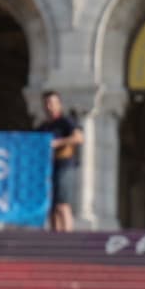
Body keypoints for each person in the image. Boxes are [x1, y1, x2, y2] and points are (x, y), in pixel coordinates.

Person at [39, 89, 85, 232]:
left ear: (59, 104)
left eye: (52, 102)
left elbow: (79, 138)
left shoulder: (66, 122)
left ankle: (67, 237)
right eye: (47, 103)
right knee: (52, 207)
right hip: (49, 168)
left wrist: (57, 143)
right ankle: (55, 239)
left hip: (65, 166)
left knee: (62, 203)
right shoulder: (43, 127)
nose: (49, 106)